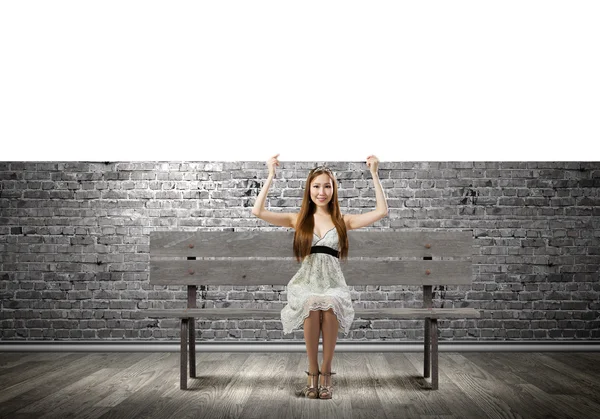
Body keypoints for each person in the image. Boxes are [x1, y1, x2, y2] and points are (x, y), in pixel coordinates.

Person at [251, 154, 388, 399]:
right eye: (316, 186)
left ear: (334, 190)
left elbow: (381, 211)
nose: (321, 191)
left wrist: (375, 174)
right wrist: (270, 175)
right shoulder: (298, 219)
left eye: (327, 186)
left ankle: (326, 371)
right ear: (309, 189)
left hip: (333, 283)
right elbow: (258, 210)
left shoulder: (343, 221)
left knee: (330, 304)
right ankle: (312, 372)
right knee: (313, 304)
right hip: (307, 282)